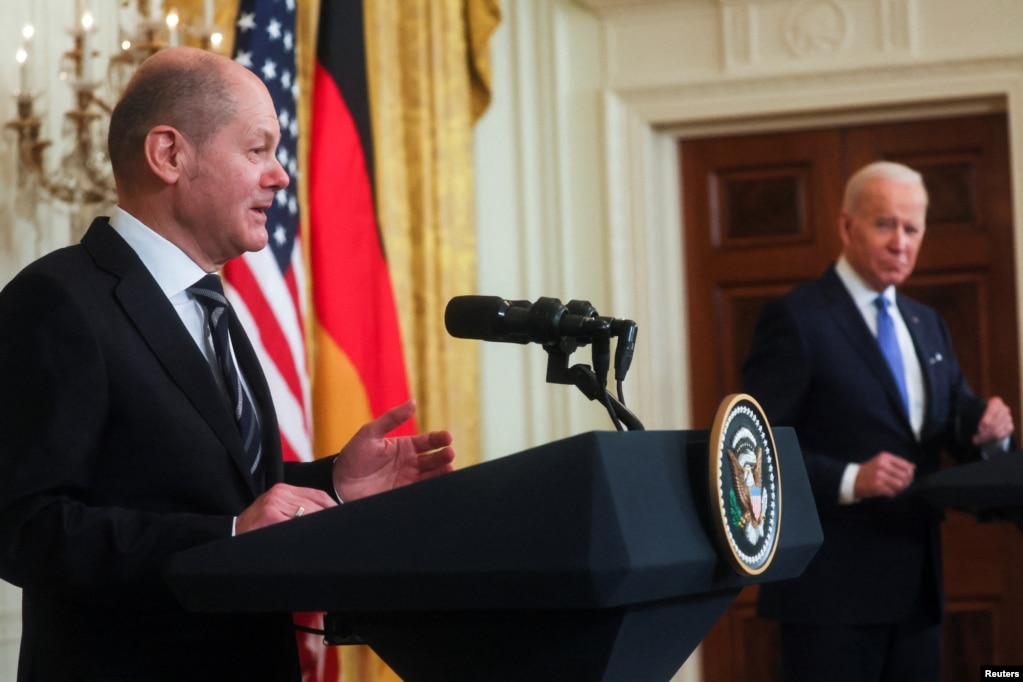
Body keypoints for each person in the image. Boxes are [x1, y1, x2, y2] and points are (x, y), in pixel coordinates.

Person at [0, 46, 455, 680]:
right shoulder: (58, 300)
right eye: (257, 149)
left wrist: (333, 484)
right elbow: (25, 526)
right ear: (169, 155)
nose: (280, 175)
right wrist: (228, 536)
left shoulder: (212, 305)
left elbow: (208, 483)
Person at [742, 160, 1014, 681]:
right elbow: (752, 448)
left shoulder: (925, 323)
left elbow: (952, 426)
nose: (900, 242)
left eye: (912, 229)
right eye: (885, 224)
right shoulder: (798, 318)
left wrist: (989, 434)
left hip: (916, 593)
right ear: (847, 226)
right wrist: (850, 479)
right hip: (828, 598)